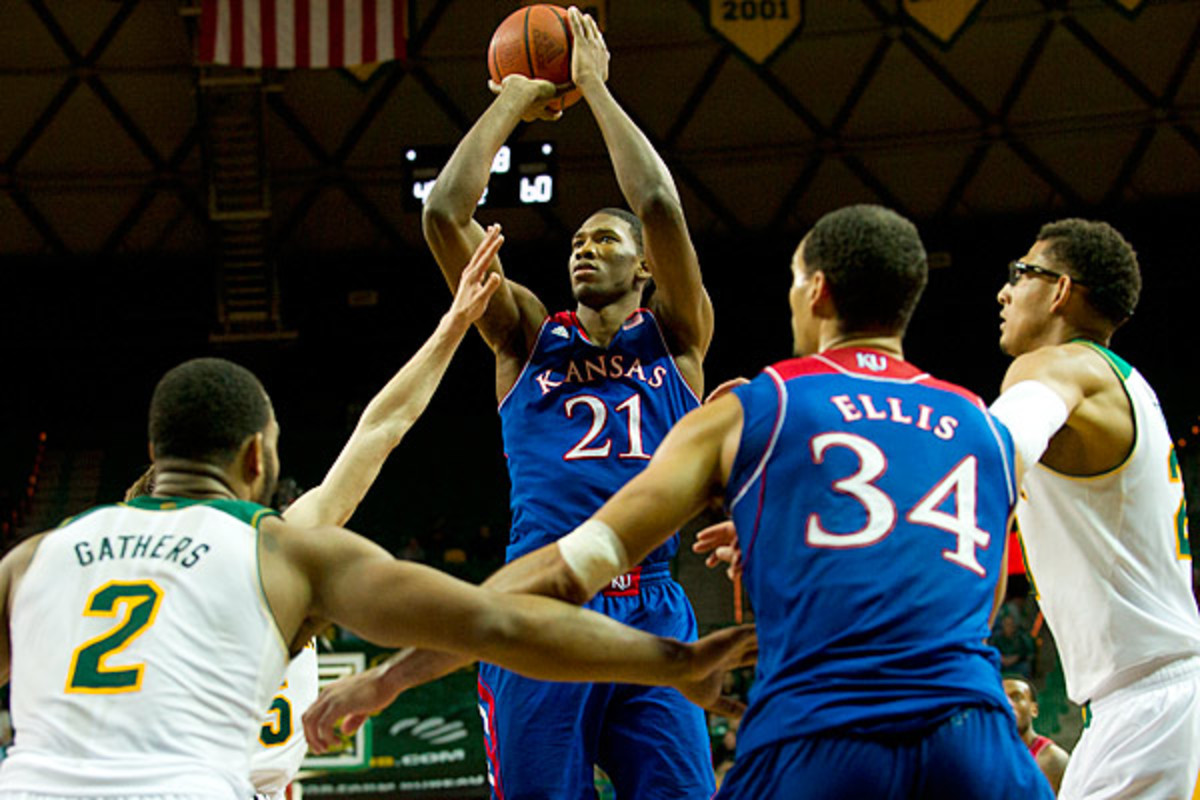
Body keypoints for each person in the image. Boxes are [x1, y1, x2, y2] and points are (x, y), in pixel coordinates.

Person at [307, 204, 1053, 799]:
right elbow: (977, 602)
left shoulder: (763, 404)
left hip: (809, 723)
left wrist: (389, 676)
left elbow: (561, 576)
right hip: (970, 730)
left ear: (816, 291)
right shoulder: (984, 427)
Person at [0, 229, 752, 800]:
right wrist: (675, 662)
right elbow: (493, 617)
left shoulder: (36, 557)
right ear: (258, 463)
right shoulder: (284, 549)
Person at [311, 8, 717, 799]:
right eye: (576, 243)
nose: (584, 248)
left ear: (645, 271)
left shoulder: (676, 338)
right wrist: (513, 97)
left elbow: (662, 206)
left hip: (654, 603)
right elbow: (441, 215)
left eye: (606, 240)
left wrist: (594, 87)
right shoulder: (528, 337)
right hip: (538, 598)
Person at [989, 218, 1200, 798]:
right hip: (1143, 700)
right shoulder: (1122, 384)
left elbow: (987, 459)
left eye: (1020, 273)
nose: (1004, 291)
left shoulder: (1055, 368)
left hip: (1150, 705)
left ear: (1059, 290)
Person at [1004, 677, 1070, 795]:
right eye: (1003, 699)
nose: (1009, 704)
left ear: (1034, 709)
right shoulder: (989, 754)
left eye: (1016, 697)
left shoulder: (1052, 759)